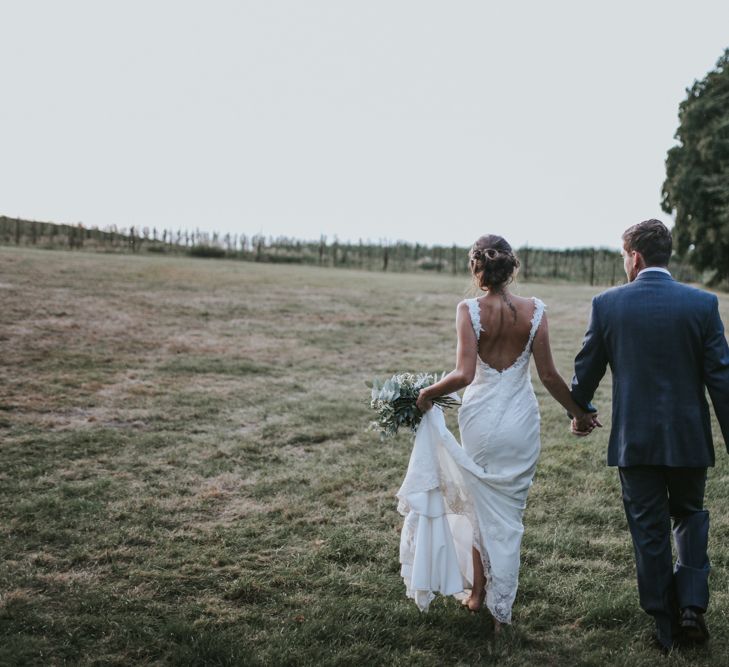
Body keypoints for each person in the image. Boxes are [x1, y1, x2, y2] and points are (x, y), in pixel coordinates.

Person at [412, 234, 598, 630]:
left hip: (480, 420)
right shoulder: (537, 311)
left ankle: (480, 595)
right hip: (520, 422)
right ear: (511, 268)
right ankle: (496, 607)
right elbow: (548, 375)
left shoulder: (468, 310)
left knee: (480, 507)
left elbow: (463, 375)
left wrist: (427, 394)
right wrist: (578, 413)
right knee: (508, 517)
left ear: (477, 268)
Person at [569, 219, 729, 651]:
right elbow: (723, 382)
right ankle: (692, 605)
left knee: (650, 532)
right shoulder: (703, 304)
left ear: (634, 258)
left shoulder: (607, 304)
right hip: (688, 439)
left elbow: (586, 373)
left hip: (634, 441)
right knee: (691, 515)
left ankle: (667, 627)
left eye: (624, 257)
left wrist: (579, 411)